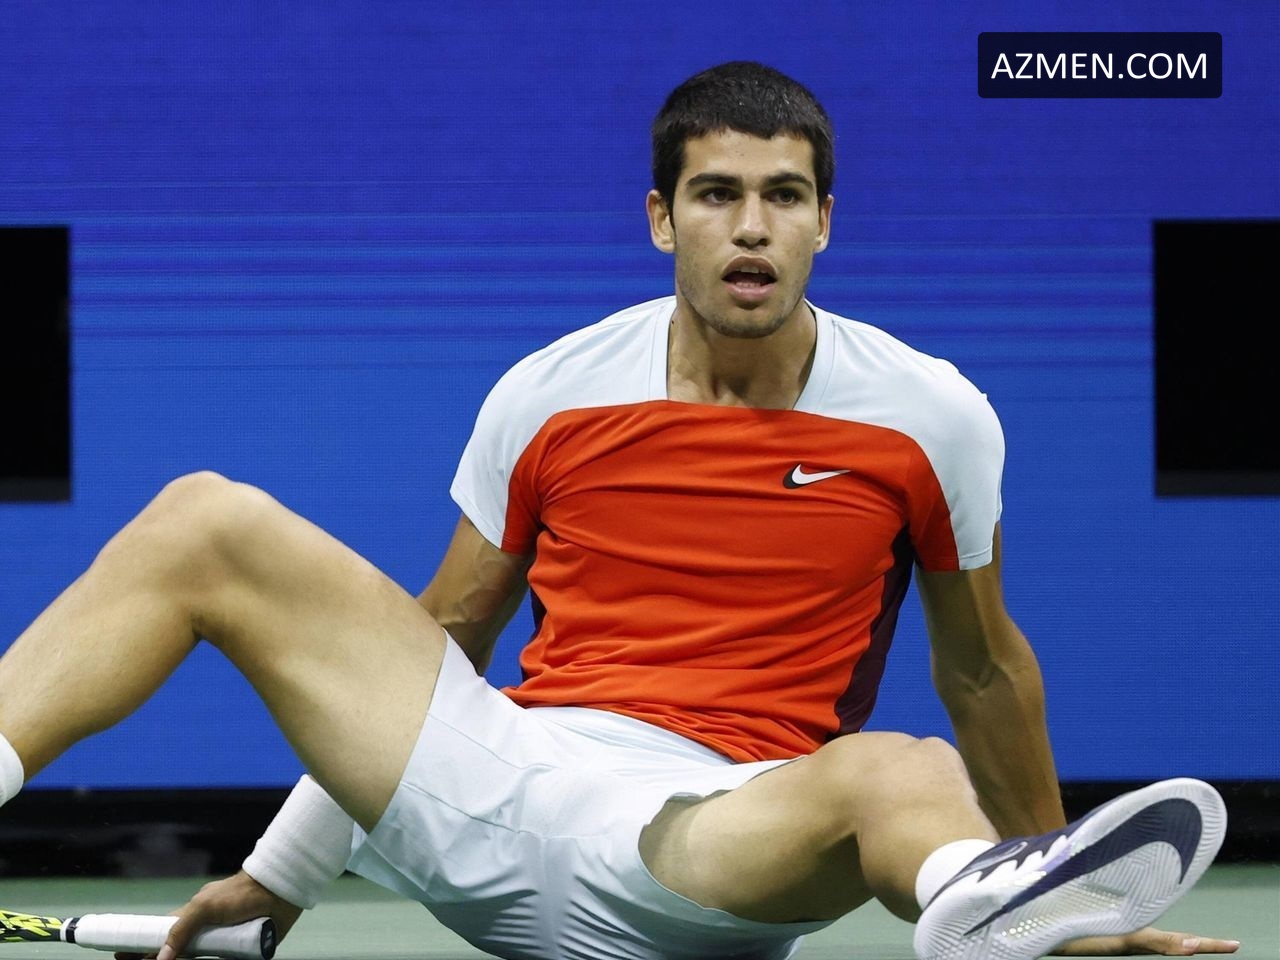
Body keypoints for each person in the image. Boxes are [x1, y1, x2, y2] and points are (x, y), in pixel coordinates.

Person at [0, 61, 1241, 960]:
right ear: (660, 219)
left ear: (824, 222)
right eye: (714, 194)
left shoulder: (930, 416)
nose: (748, 227)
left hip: (708, 838)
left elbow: (979, 670)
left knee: (898, 768)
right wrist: (278, 878)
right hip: (497, 790)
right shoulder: (550, 391)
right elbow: (444, 644)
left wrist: (1077, 902)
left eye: (783, 195)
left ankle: (1008, 895)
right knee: (204, 518)